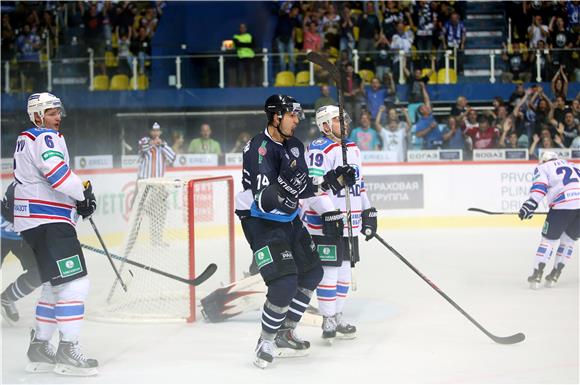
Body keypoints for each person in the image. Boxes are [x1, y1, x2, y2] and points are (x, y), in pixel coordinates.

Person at [241, 94, 354, 368]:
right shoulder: (258, 148)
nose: (297, 120)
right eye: (292, 115)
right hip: (261, 221)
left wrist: (333, 181)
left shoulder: (294, 146)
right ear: (276, 116)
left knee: (313, 271)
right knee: (284, 283)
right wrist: (308, 185)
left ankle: (285, 331)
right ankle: (265, 340)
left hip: (289, 219)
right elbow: (267, 198)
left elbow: (303, 188)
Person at [13, 92, 98, 375]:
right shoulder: (44, 137)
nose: (57, 117)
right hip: (49, 223)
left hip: (35, 222)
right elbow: (58, 175)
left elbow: (49, 181)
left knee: (54, 285)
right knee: (75, 283)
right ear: (37, 115)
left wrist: (76, 201)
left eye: (58, 112)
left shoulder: (27, 138)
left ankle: (39, 346)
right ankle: (67, 349)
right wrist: (83, 194)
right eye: (51, 112)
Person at [302, 104, 377, 342]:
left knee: (345, 272)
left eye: (344, 119)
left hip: (350, 222)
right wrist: (329, 213)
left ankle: (338, 314)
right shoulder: (318, 149)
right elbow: (312, 190)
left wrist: (367, 211)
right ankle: (328, 318)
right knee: (330, 272)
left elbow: (359, 185)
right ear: (324, 125)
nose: (344, 123)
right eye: (337, 120)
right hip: (327, 224)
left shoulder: (352, 149)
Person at [518, 151, 579, 289]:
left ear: (544, 160)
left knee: (548, 241)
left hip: (562, 206)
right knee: (568, 241)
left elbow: (540, 187)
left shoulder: (544, 167)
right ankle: (555, 274)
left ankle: (537, 274)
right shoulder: (573, 166)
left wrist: (530, 204)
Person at [1, 182, 42, 325]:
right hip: (2, 236)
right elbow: (9, 213)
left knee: (39, 273)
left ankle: (6, 298)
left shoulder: (41, 184)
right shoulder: (18, 186)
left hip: (22, 240)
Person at [233, 23, 256, 87]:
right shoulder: (236, 36)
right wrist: (247, 44)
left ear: (246, 28)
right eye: (241, 27)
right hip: (241, 58)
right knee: (240, 74)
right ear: (239, 29)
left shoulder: (250, 35)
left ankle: (251, 88)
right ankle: (240, 89)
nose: (243, 29)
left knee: (250, 74)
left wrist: (241, 44)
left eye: (244, 27)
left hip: (250, 57)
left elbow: (253, 45)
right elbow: (237, 45)